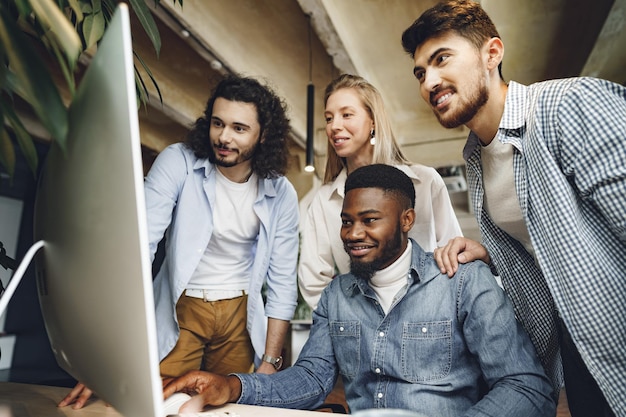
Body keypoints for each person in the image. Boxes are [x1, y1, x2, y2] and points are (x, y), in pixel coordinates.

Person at [162, 164, 556, 417]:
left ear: (406, 221)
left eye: (369, 220)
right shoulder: (337, 296)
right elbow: (313, 380)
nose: (352, 234)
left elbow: (527, 386)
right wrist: (232, 385)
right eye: (347, 221)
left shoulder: (463, 281)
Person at [401, 1, 626, 416]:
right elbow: (550, 246)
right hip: (578, 349)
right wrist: (493, 256)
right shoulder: (475, 156)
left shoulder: (568, 105)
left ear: (492, 54)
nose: (429, 81)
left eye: (441, 58)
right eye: (420, 72)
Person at [59, 74, 300, 408]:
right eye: (218, 123)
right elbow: (139, 247)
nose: (224, 137)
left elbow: (282, 282)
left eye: (239, 128)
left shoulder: (281, 192)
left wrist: (270, 362)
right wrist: (108, 350)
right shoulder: (179, 162)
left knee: (229, 409)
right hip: (180, 308)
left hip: (239, 317)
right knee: (152, 403)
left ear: (263, 136)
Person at [298, 74, 462, 310]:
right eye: (329, 118)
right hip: (364, 332)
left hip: (430, 319)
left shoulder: (425, 182)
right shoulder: (325, 200)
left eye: (346, 114)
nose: (334, 126)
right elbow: (314, 282)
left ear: (373, 121)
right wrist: (352, 320)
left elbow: (452, 254)